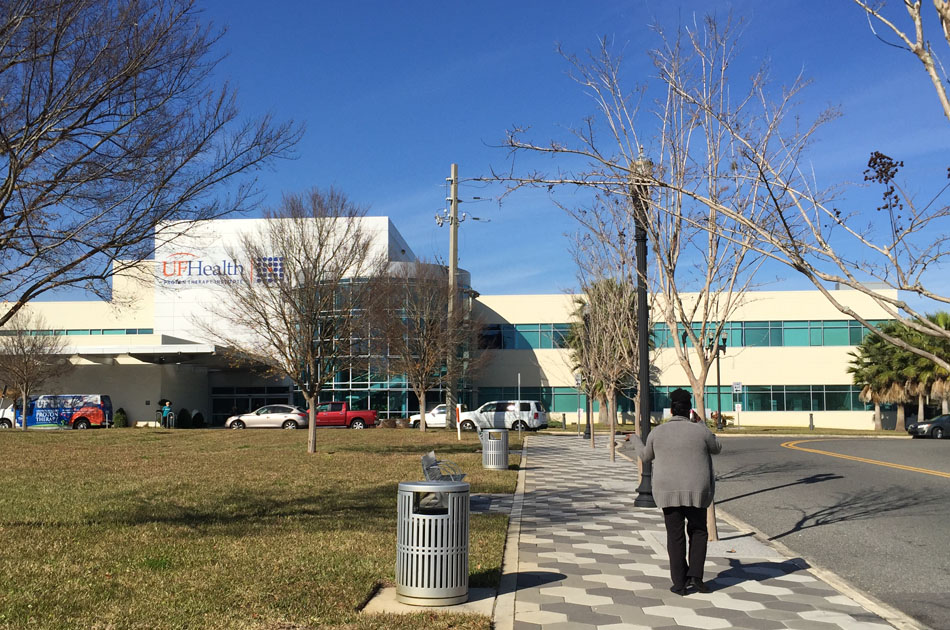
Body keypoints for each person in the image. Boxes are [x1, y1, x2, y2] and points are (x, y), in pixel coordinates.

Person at [628, 388, 722, 595]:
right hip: (697, 490)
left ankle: (679, 582)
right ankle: (696, 576)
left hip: (667, 491)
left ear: (671, 410)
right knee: (698, 531)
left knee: (675, 535)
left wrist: (634, 439)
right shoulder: (700, 430)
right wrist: (701, 424)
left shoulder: (658, 432)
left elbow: (645, 457)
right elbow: (717, 447)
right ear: (690, 411)